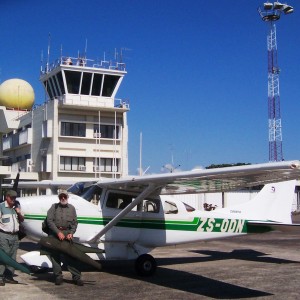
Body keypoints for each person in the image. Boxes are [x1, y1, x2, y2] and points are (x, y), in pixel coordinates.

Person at [46, 190, 83, 286]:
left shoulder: (72, 208)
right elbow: (49, 221)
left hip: (67, 233)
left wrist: (71, 232)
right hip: (55, 233)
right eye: (61, 197)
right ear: (59, 198)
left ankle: (76, 277)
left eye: (64, 197)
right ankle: (58, 276)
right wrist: (58, 232)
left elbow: (75, 223)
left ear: (67, 197)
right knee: (55, 256)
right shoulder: (53, 207)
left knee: (71, 256)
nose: (63, 198)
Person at [0, 190, 24, 286]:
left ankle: (9, 276)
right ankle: (0, 277)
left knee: (12, 257)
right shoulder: (1, 207)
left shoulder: (16, 207)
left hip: (15, 236)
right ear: (7, 197)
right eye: (11, 198)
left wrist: (19, 213)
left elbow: (22, 220)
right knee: (4, 256)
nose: (13, 199)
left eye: (14, 198)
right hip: (4, 235)